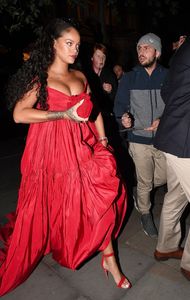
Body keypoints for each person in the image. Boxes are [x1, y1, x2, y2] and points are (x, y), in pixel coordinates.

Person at [0, 18, 131, 296]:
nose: (74, 50)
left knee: (99, 202)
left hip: (80, 147)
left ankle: (111, 260)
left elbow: (93, 111)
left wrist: (104, 140)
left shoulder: (82, 76)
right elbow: (20, 114)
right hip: (49, 150)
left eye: (77, 45)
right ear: (53, 44)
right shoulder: (42, 78)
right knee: (57, 204)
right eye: (68, 44)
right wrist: (62, 114)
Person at [114, 33, 168, 238]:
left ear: (157, 52)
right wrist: (124, 118)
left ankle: (141, 195)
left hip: (163, 139)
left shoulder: (168, 76)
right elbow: (119, 106)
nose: (141, 52)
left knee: (163, 177)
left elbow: (175, 105)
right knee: (145, 181)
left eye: (146, 48)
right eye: (139, 48)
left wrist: (163, 120)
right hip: (138, 139)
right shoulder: (129, 77)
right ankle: (145, 213)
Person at [153, 36, 190, 282]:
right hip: (184, 139)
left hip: (173, 135)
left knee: (176, 195)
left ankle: (165, 247)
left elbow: (166, 90)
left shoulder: (182, 50)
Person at [85, 43, 118, 148]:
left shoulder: (110, 75)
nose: (101, 59)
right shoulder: (85, 75)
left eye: (103, 57)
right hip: (89, 119)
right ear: (91, 58)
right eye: (98, 56)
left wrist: (110, 91)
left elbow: (115, 100)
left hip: (106, 120)